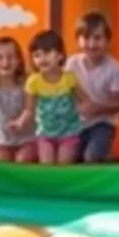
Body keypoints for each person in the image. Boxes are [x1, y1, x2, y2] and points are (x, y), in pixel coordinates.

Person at [10, 29, 84, 165]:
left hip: (68, 133)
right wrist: (20, 122)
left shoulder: (69, 78)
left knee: (63, 164)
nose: (42, 58)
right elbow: (29, 110)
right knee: (47, 164)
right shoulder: (33, 81)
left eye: (48, 53)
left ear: (60, 55)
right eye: (37, 55)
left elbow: (84, 100)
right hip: (45, 134)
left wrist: (86, 108)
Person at [66, 11, 119, 163]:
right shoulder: (72, 63)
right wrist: (78, 106)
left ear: (107, 40)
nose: (92, 44)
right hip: (77, 124)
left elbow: (118, 103)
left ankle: (102, 156)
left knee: (91, 157)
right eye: (86, 38)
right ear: (78, 40)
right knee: (69, 157)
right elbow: (67, 91)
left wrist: (98, 108)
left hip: (103, 124)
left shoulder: (114, 68)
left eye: (98, 38)